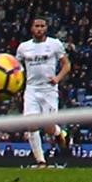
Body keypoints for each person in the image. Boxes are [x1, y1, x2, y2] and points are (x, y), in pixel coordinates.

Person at [16, 17, 70, 168]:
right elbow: (16, 68)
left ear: (46, 28)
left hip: (49, 90)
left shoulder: (54, 44)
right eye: (36, 26)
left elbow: (66, 64)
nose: (39, 29)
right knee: (31, 125)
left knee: (48, 126)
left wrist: (58, 78)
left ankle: (59, 133)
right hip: (31, 89)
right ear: (32, 28)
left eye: (42, 26)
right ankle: (41, 161)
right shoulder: (23, 47)